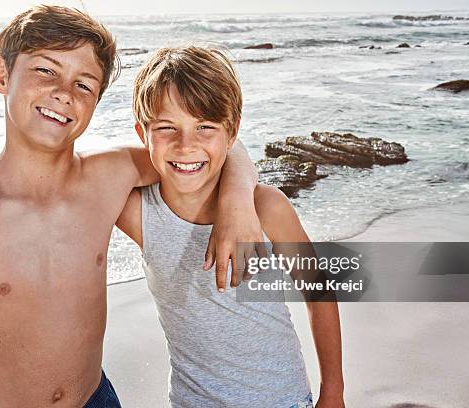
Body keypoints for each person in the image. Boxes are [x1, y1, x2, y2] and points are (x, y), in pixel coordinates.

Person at [0, 6, 261, 408]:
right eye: (45, 71)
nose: (63, 93)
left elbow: (217, 147)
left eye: (84, 85)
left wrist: (237, 204)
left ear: (96, 102)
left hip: (98, 399)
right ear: (1, 74)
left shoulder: (109, 177)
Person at [113, 46, 345, 407]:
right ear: (142, 132)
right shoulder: (137, 211)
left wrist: (333, 392)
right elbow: (59, 177)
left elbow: (317, 289)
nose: (185, 144)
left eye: (204, 127)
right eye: (166, 127)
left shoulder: (267, 208)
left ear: (232, 131)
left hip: (281, 399)